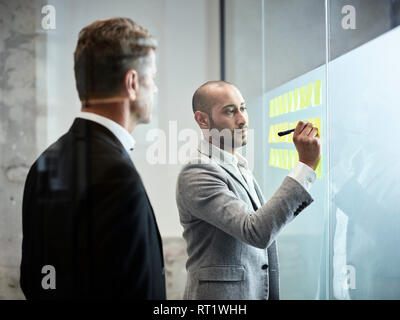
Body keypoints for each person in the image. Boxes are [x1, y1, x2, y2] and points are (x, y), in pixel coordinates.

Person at [20, 18, 165, 299]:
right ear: (132, 83)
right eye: (153, 78)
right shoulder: (118, 176)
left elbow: (34, 281)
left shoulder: (43, 164)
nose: (156, 89)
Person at [176, 80, 321, 300]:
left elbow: (267, 224)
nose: (242, 119)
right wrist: (305, 166)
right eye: (230, 111)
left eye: (243, 108)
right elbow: (256, 231)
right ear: (202, 119)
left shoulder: (239, 165)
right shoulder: (197, 172)